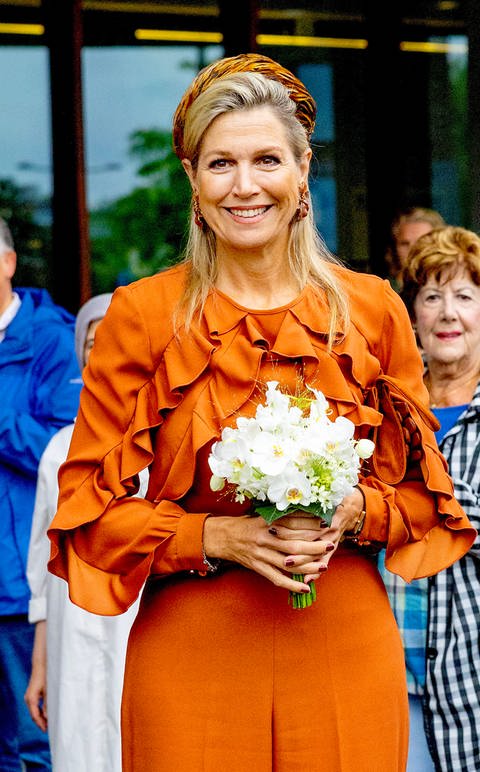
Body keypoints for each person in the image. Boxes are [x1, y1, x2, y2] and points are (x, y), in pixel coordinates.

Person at [47, 54, 475, 772]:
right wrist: (218, 535)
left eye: (267, 159)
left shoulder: (373, 309)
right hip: (191, 650)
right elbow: (88, 518)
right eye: (220, 164)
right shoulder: (142, 315)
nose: (245, 186)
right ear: (191, 177)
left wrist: (351, 512)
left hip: (343, 645)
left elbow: (425, 502)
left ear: (304, 167)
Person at [24, 293, 144, 772]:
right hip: (70, 631)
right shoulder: (59, 449)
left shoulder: (164, 440)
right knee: (77, 748)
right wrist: (40, 665)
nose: (106, 349)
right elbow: (42, 567)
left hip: (137, 622)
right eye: (95, 341)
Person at [380, 225, 480, 772]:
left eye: (464, 296)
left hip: (469, 676)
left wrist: (420, 474)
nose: (448, 313)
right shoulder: (383, 403)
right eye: (432, 295)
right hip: (387, 665)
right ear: (412, 312)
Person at [0, 216, 82, 771]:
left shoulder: (54, 338)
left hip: (13, 585)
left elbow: (65, 456)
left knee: (30, 749)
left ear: (7, 263)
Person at [385, 206, 445, 291]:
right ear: (394, 248)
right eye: (404, 244)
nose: (413, 249)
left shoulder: (451, 289)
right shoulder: (384, 292)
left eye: (421, 242)